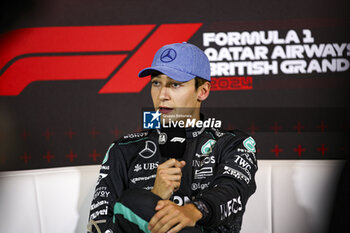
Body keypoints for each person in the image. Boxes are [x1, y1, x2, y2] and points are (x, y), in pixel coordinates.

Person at [87, 42, 258, 233]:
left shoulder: (232, 144)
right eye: (156, 83)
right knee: (133, 202)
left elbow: (232, 191)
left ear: (203, 91)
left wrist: (193, 211)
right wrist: (154, 198)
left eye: (175, 84)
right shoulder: (124, 149)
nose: (162, 95)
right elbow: (98, 227)